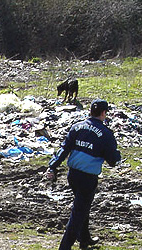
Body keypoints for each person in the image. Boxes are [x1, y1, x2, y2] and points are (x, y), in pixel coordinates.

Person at [46, 99, 121, 250]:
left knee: (82, 206)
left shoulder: (77, 127)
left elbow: (64, 149)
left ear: (90, 111)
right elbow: (113, 161)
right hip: (88, 178)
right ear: (103, 113)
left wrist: (52, 167)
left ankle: (85, 239)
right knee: (78, 213)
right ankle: (64, 247)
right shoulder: (106, 134)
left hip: (72, 176)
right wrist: (117, 156)